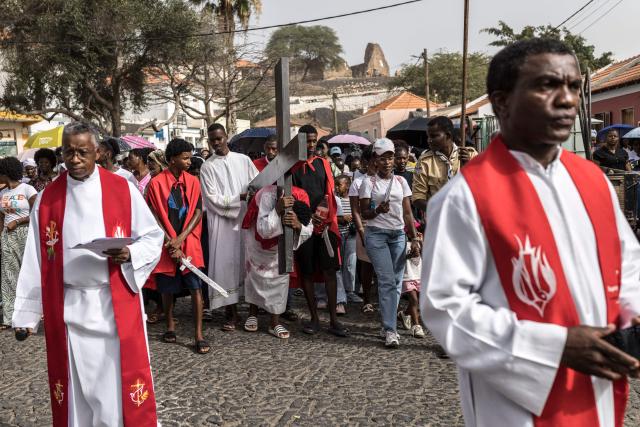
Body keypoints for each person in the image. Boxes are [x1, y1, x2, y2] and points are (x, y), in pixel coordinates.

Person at [421, 38, 640, 427]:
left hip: (600, 384)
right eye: (547, 85)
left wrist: (631, 326)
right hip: (520, 402)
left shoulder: (593, 179)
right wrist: (554, 347)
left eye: (574, 87)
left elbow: (628, 264)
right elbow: (446, 308)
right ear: (502, 101)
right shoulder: (466, 196)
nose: (567, 99)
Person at [12, 122, 164, 426]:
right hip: (69, 311)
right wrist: (27, 316)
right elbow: (35, 259)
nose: (75, 159)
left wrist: (129, 253)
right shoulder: (48, 198)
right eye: (68, 152)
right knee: (77, 393)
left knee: (114, 393)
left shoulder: (123, 189)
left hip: (113, 307)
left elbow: (152, 236)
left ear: (98, 151)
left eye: (83, 152)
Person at [146, 138, 208, 354]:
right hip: (165, 243)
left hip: (188, 242)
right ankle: (170, 325)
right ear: (172, 160)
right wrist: (169, 241)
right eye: (185, 158)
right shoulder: (155, 183)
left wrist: (181, 239)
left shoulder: (193, 181)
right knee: (167, 287)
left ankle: (198, 334)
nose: (189, 161)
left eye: (190, 157)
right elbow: (153, 215)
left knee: (195, 286)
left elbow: (198, 211)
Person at [359, 138, 420, 348]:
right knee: (386, 281)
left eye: (390, 157)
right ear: (375, 160)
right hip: (376, 235)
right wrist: (377, 210)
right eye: (383, 158)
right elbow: (364, 211)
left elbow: (408, 212)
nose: (387, 162)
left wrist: (413, 238)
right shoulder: (368, 183)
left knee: (395, 283)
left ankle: (388, 323)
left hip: (398, 236)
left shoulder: (401, 182)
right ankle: (390, 330)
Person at [291, 124, 348, 337]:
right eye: (307, 141)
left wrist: (322, 217)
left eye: (314, 140)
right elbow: (293, 196)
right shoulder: (293, 167)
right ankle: (314, 318)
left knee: (330, 270)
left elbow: (329, 193)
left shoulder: (323, 163)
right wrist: (307, 218)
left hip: (325, 224)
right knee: (306, 271)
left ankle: (333, 319)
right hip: (304, 225)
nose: (312, 145)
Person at [200, 123, 258, 331]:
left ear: (226, 137)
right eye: (212, 140)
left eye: (219, 138)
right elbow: (211, 199)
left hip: (245, 221)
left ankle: (252, 314)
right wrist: (240, 197)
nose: (216, 143)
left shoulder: (244, 161)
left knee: (249, 264)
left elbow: (257, 186)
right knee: (226, 267)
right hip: (222, 225)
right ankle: (230, 313)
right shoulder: (207, 167)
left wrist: (251, 199)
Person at [242, 185, 313, 338]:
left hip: (283, 244)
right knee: (254, 276)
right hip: (258, 242)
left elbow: (309, 225)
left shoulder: (300, 194)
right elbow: (263, 229)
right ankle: (252, 313)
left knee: (280, 279)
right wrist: (277, 210)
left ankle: (274, 322)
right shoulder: (264, 193)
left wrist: (298, 225)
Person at [411, 116, 477, 215]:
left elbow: (484, 186)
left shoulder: (470, 155)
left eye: (434, 136)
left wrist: (469, 166)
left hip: (468, 216)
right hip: (439, 220)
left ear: (448, 136)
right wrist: (442, 211)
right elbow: (417, 198)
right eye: (428, 136)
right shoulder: (425, 162)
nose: (429, 140)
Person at [0, 158, 37, 330]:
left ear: (6, 173)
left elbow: (37, 214)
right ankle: (9, 318)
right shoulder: (2, 193)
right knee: (8, 276)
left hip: (26, 235)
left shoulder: (28, 189)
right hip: (7, 236)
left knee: (27, 275)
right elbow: (1, 218)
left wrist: (20, 221)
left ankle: (31, 316)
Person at [349, 145, 376, 313]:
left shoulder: (390, 180)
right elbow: (356, 211)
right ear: (366, 162)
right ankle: (367, 299)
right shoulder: (358, 183)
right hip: (366, 228)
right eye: (372, 160)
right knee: (367, 266)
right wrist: (361, 232)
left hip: (386, 226)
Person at [335, 174, 360, 305]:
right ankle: (339, 292)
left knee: (350, 264)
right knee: (338, 264)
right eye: (336, 185)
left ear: (348, 185)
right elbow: (332, 216)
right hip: (338, 234)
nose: (337, 187)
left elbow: (359, 214)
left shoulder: (354, 200)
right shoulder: (334, 199)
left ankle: (350, 291)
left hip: (351, 235)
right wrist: (342, 219)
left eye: (340, 185)